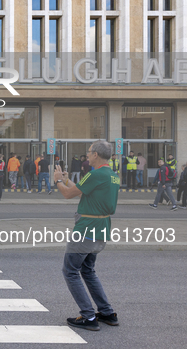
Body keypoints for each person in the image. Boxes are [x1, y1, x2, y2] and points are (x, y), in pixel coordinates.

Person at [54, 140, 119, 331]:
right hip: (102, 228)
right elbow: (82, 192)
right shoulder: (112, 175)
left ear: (96, 154)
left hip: (86, 229)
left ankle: (89, 316)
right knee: (88, 271)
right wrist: (67, 180)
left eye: (89, 152)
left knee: (70, 271)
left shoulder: (95, 174)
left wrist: (58, 180)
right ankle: (107, 312)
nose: (87, 155)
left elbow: (68, 195)